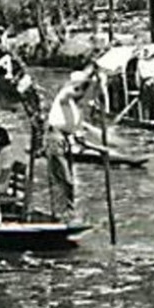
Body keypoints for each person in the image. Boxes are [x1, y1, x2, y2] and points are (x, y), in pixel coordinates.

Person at [45, 68, 97, 220]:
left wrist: (100, 149)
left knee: (69, 182)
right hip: (55, 138)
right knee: (63, 178)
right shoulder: (65, 96)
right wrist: (87, 81)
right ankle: (61, 214)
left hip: (65, 141)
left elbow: (80, 138)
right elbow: (70, 92)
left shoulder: (75, 109)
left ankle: (67, 212)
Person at [136, 48, 154, 120]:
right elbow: (139, 74)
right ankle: (150, 119)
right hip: (148, 81)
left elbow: (139, 75)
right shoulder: (141, 62)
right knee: (149, 103)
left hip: (151, 81)